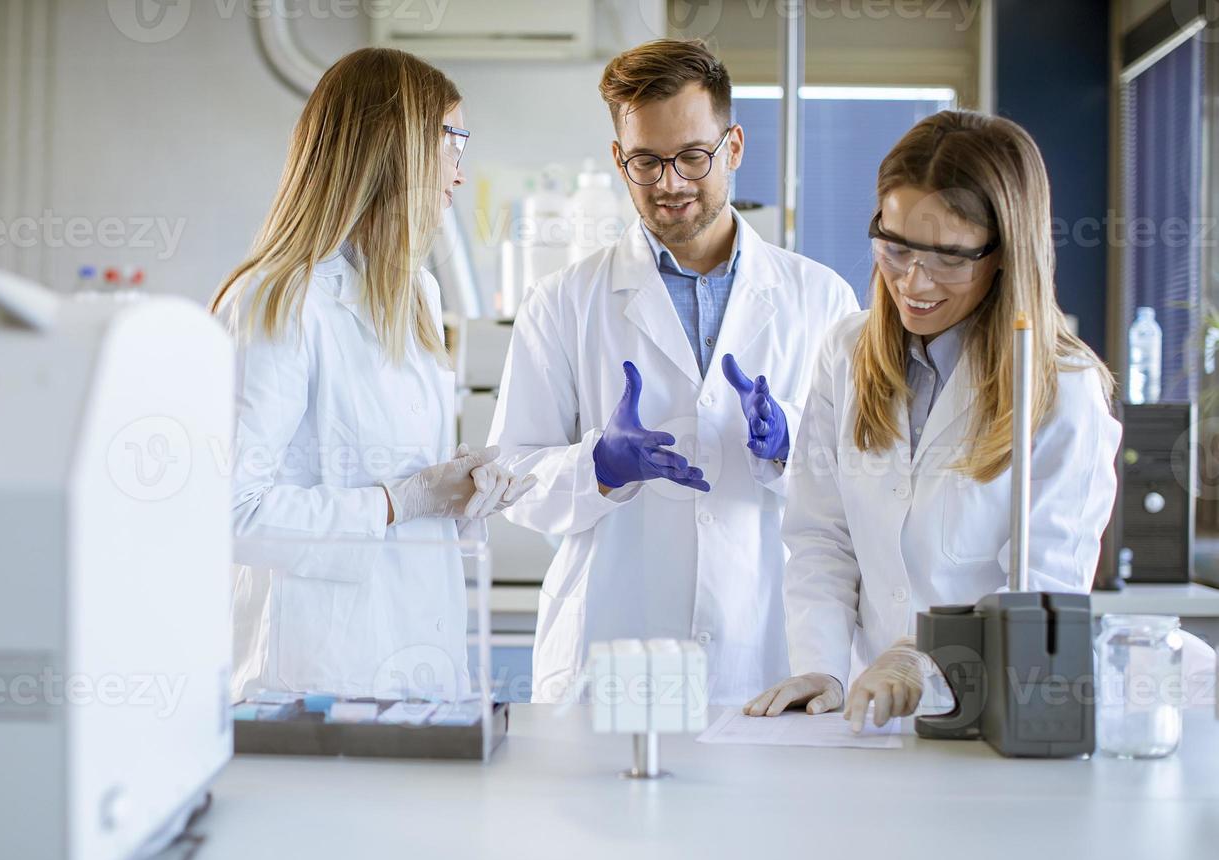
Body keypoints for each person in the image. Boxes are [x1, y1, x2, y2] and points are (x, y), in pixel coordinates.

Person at [488, 39, 859, 704]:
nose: (670, 184)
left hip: (770, 647)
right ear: (617, 159)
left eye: (692, 157)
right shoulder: (564, 301)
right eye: (645, 162)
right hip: (613, 652)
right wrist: (597, 466)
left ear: (734, 147)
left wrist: (793, 442)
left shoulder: (821, 299)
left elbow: (864, 484)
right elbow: (512, 480)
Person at [745, 109, 1121, 730]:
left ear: (1005, 251)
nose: (913, 282)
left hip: (992, 719)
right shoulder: (847, 352)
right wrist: (825, 669)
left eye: (949, 256)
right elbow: (821, 537)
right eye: (895, 248)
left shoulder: (1063, 389)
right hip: (869, 719)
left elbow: (1046, 588)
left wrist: (925, 665)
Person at [213, 48, 533, 700]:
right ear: (398, 148)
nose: (460, 175)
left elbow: (402, 491)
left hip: (420, 663)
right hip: (311, 680)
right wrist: (400, 501)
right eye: (452, 143)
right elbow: (231, 512)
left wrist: (458, 497)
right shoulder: (277, 299)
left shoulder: (414, 294)